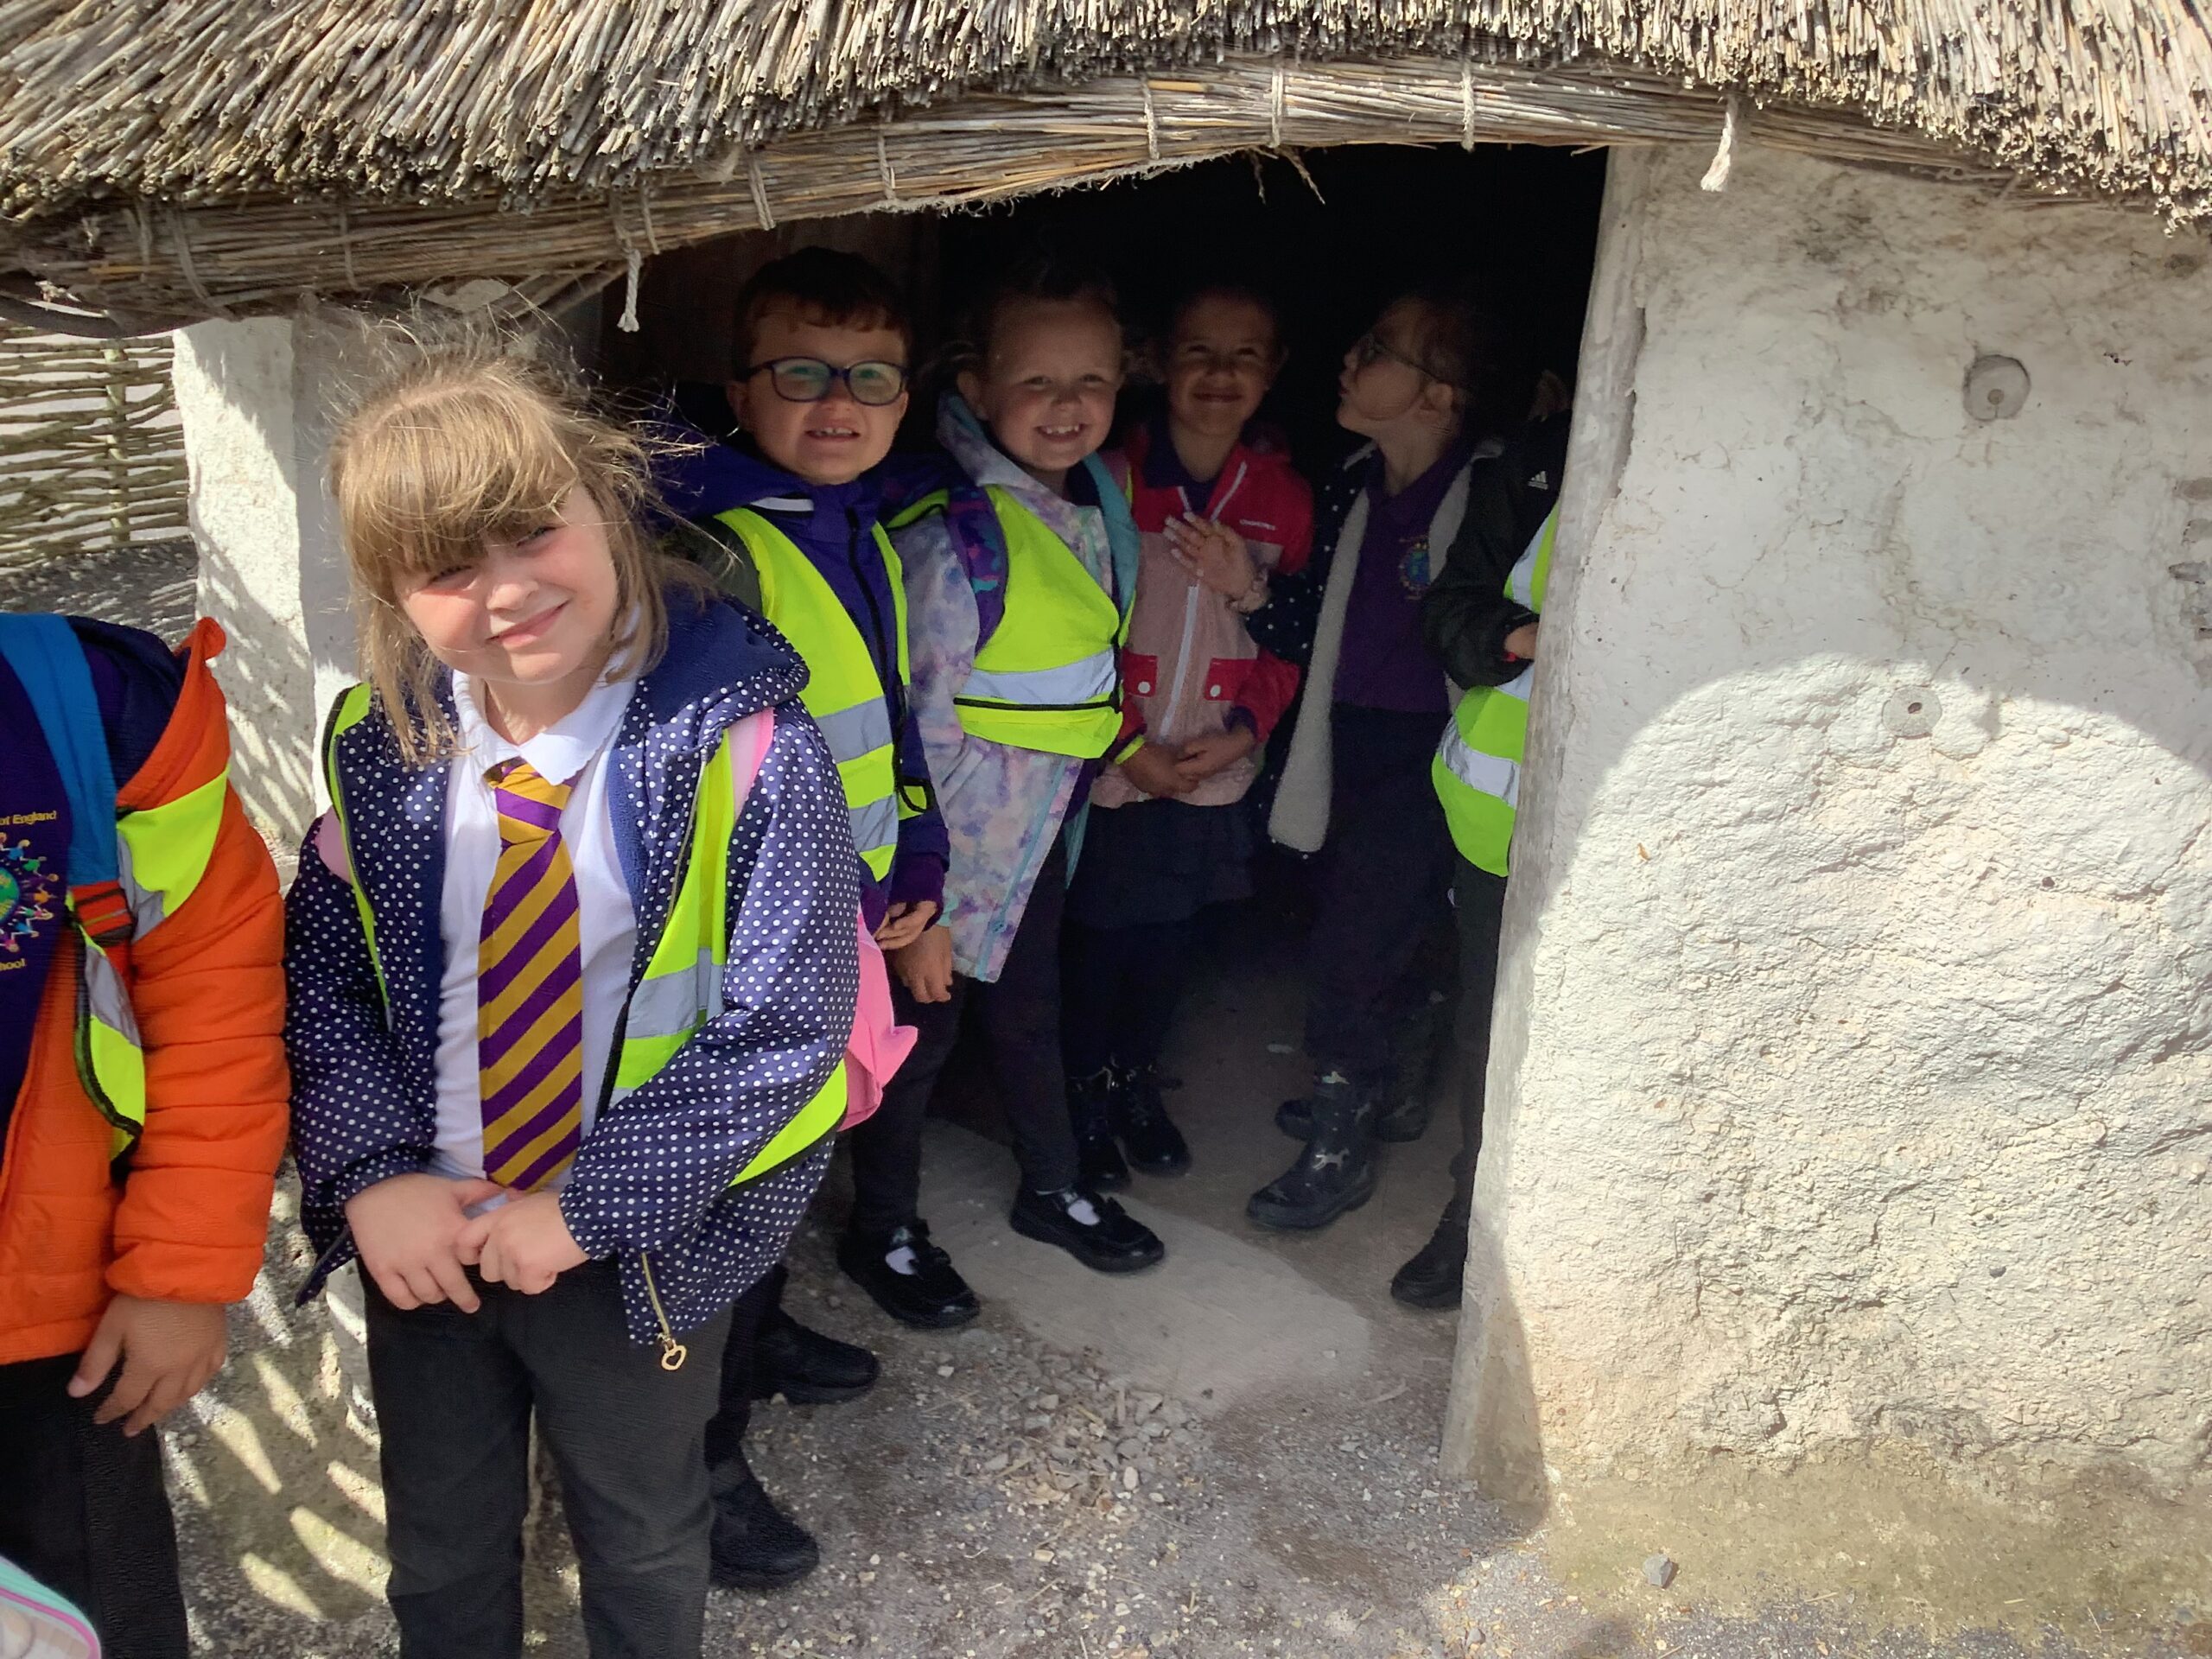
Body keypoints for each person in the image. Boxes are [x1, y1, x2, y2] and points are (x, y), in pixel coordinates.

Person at [285, 342, 859, 1659]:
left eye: (534, 530)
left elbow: (786, 1026)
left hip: (637, 1241)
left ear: (609, 502)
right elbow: (326, 977)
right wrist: (373, 1174)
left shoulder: (748, 750)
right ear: (389, 595)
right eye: (446, 568)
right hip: (431, 1232)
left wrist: (587, 1210)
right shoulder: (382, 748)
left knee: (644, 1532)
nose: (507, 591)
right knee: (439, 1540)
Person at [658, 246, 942, 1590]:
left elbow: (885, 718)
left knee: (793, 1160)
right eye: (803, 374)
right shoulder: (710, 546)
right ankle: (701, 1464)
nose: (840, 403)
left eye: (872, 378)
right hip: (754, 944)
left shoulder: (858, 525)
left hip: (846, 920)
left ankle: (759, 1339)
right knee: (738, 1176)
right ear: (739, 389)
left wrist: (918, 858)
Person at [852, 255, 1167, 1325]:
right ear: (976, 387)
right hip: (946, 854)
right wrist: (926, 901)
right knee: (919, 1040)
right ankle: (883, 1228)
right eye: (1037, 381)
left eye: (1093, 381)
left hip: (1034, 838)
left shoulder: (1092, 503)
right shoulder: (959, 532)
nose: (1068, 404)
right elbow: (920, 727)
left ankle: (1051, 1186)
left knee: (1033, 1012)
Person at [1175, 286, 1529, 1234]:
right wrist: (1248, 587)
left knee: (1357, 944)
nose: (1349, 359)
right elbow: (1309, 628)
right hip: (1348, 737)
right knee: (1366, 922)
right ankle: (1382, 1090)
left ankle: (1341, 1138)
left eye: (1377, 349)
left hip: (1435, 748)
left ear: (1439, 394)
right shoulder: (1353, 483)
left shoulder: (1491, 491)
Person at [0, 609, 289, 1659]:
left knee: (98, 1619)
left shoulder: (92, 705)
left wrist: (178, 1276)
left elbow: (217, 1000)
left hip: (46, 1329)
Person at [1059, 283, 1313, 1187]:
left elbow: (1289, 644)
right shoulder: (1108, 478)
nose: (1220, 373)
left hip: (1209, 764)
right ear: (1159, 361)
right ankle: (1081, 1094)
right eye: (1199, 351)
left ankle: (1135, 1081)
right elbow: (1068, 630)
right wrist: (1127, 746)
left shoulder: (1282, 498)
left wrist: (1247, 732)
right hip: (1111, 766)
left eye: (1245, 356)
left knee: (1168, 941)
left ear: (1273, 372)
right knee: (1094, 942)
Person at [1386, 500, 1558, 1304]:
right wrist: (1522, 636)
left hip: (1650, 835)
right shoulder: (1541, 468)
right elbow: (1448, 611)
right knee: (1493, 1030)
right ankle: (1475, 1214)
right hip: (1500, 827)